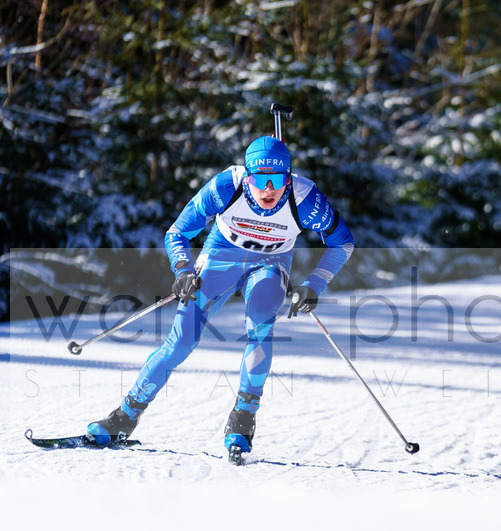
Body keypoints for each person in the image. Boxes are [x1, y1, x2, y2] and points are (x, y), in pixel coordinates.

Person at [85, 135, 355, 461]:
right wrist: (183, 269)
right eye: (260, 180)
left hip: (269, 266)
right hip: (219, 259)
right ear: (248, 175)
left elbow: (343, 244)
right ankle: (124, 418)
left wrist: (314, 285)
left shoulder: (305, 199)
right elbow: (178, 232)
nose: (269, 189)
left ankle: (242, 420)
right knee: (180, 342)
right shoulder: (227, 186)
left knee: (260, 322)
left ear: (288, 177)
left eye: (277, 180)